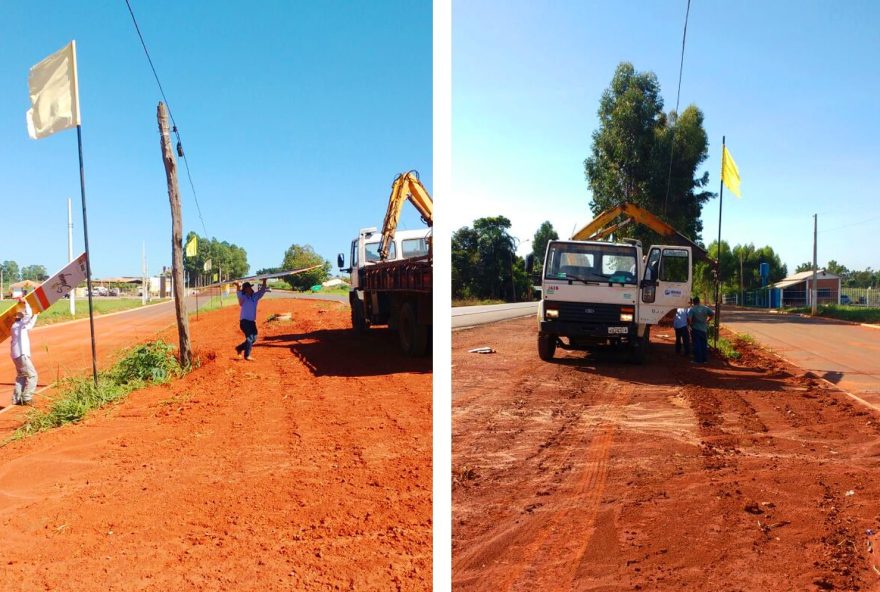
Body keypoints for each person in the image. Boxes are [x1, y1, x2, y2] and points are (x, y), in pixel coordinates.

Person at [10, 299, 39, 405]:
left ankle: (16, 399)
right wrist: (26, 302)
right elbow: (28, 315)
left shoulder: (17, 327)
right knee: (33, 375)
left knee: (21, 376)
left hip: (15, 355)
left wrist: (36, 315)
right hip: (21, 354)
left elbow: (30, 325)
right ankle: (27, 397)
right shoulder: (19, 325)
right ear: (20, 317)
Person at [234, 278, 268, 361]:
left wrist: (264, 281)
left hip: (252, 322)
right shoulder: (243, 298)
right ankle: (247, 355)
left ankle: (239, 348)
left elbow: (262, 290)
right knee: (249, 338)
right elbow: (238, 293)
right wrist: (238, 285)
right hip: (244, 322)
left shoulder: (255, 297)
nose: (251, 289)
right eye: (249, 288)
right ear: (245, 290)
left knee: (254, 338)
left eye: (251, 287)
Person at [688, 296, 715, 364]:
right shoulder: (705, 308)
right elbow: (712, 314)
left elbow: (689, 319)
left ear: (693, 302)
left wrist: (690, 325)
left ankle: (698, 360)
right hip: (704, 329)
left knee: (697, 345)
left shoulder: (692, 309)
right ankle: (705, 360)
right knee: (703, 344)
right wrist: (707, 321)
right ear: (699, 301)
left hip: (696, 329)